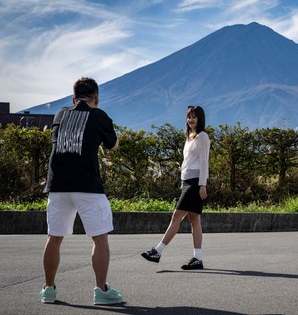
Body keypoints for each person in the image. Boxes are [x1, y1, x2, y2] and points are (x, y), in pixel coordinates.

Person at [40, 77, 124, 305]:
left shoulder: (60, 115)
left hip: (57, 185)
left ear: (73, 98)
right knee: (99, 239)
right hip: (87, 186)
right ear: (96, 99)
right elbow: (112, 145)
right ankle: (101, 290)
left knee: (54, 238)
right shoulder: (99, 115)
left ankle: (48, 289)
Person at [141, 105, 210, 270]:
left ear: (200, 119)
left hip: (195, 183)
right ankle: (197, 259)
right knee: (194, 220)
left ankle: (157, 251)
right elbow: (187, 162)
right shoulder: (189, 137)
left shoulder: (202, 136)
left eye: (194, 117)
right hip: (187, 182)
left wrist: (202, 184)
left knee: (176, 216)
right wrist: (182, 182)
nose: (191, 120)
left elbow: (203, 162)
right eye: (189, 117)